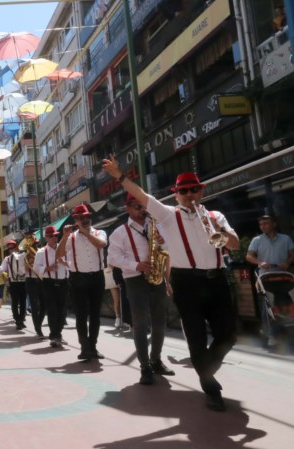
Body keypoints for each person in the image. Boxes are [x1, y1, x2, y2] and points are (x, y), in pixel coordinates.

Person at [102, 158, 239, 411]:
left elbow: (234, 245)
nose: (189, 195)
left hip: (217, 279)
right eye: (183, 191)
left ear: (202, 190)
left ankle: (206, 366)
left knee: (229, 334)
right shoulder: (168, 215)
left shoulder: (215, 215)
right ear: (176, 195)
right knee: (196, 338)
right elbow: (141, 195)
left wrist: (218, 227)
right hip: (187, 282)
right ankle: (210, 386)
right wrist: (119, 175)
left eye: (193, 190)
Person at [107, 193, 175, 385]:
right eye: (137, 206)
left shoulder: (157, 226)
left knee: (160, 321)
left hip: (157, 278)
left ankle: (156, 359)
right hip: (135, 280)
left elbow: (169, 250)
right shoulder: (119, 232)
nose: (142, 209)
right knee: (140, 323)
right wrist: (136, 265)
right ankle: (145, 365)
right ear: (127, 207)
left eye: (143, 206)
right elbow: (112, 258)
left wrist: (164, 243)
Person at [56, 204, 108, 361]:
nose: (85, 219)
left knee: (95, 315)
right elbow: (59, 254)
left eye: (87, 217)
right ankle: (84, 347)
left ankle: (92, 346)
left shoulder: (100, 233)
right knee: (81, 315)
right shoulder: (70, 237)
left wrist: (86, 232)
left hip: (97, 277)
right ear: (75, 220)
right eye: (81, 217)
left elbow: (102, 244)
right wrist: (64, 236)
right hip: (78, 279)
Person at [246, 214, 294, 346]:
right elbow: (249, 256)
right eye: (261, 224)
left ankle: (288, 330)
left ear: (273, 224)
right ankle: (271, 334)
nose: (263, 226)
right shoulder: (257, 240)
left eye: (266, 223)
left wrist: (287, 262)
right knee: (268, 305)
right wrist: (260, 262)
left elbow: (293, 254)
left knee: (285, 302)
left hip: (283, 276)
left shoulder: (285, 239)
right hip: (265, 277)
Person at [33, 226, 69, 347]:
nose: (55, 238)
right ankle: (54, 336)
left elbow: (73, 264)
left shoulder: (65, 249)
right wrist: (48, 268)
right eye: (52, 236)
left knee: (62, 311)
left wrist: (66, 263)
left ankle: (58, 334)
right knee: (52, 310)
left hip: (63, 281)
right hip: (49, 282)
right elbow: (36, 269)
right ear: (46, 238)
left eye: (56, 235)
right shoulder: (41, 252)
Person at [1, 239, 28, 330]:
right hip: (13, 282)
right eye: (9, 249)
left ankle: (22, 318)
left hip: (23, 281)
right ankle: (17, 320)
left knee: (23, 301)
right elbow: (2, 269)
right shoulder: (7, 259)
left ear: (16, 247)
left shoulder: (23, 255)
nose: (10, 250)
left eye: (12, 247)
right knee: (15, 302)